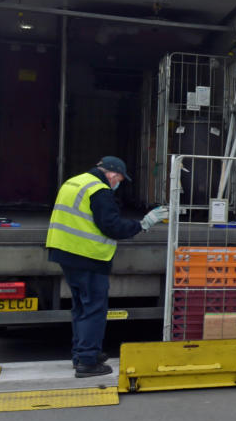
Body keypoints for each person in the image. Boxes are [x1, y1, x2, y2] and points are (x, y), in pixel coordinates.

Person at [45, 157, 168, 378]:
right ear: (112, 174)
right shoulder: (99, 190)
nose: (117, 184)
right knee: (94, 309)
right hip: (88, 256)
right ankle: (88, 362)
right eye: (119, 179)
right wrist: (143, 224)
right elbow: (112, 227)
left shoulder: (75, 182)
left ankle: (81, 354)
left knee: (81, 308)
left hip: (65, 252)